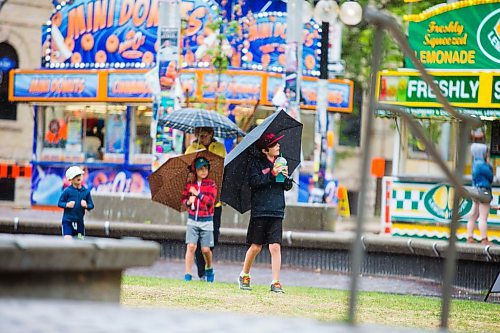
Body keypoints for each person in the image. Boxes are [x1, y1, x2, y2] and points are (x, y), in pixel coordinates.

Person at [238, 132, 293, 293]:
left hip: (277, 210)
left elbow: (286, 186)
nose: (278, 146)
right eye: (274, 144)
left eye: (278, 144)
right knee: (256, 246)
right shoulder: (256, 164)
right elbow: (254, 182)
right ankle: (244, 275)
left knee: (275, 246)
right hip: (260, 210)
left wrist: (286, 177)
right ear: (264, 150)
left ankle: (276, 282)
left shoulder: (281, 161)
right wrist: (271, 174)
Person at [185, 127, 226, 280]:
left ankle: (207, 263)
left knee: (212, 237)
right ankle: (202, 272)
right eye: (199, 135)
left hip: (214, 201)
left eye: (205, 135)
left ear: (212, 134)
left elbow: (221, 169)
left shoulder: (220, 148)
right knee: (195, 240)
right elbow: (187, 173)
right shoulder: (192, 148)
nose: (202, 138)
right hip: (197, 202)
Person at [181, 156, 218, 282]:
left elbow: (210, 202)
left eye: (206, 168)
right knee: (191, 246)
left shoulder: (211, 184)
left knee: (205, 249)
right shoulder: (190, 185)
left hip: (206, 221)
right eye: (200, 169)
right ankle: (187, 274)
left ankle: (209, 267)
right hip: (192, 220)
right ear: (195, 171)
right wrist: (188, 202)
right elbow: (184, 199)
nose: (203, 171)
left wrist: (198, 194)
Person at [467, 133, 493, 245]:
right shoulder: (484, 165)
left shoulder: (474, 164)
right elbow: (490, 177)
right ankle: (484, 239)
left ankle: (470, 237)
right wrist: (489, 167)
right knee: (482, 217)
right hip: (484, 191)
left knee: (473, 215)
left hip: (475, 190)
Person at [58, 166, 94, 240]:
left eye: (79, 175)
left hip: (79, 223)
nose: (78, 177)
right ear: (70, 179)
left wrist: (86, 205)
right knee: (68, 239)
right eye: (75, 176)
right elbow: (60, 203)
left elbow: (91, 205)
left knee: (80, 239)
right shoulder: (67, 191)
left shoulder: (86, 192)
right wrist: (67, 205)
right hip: (68, 222)